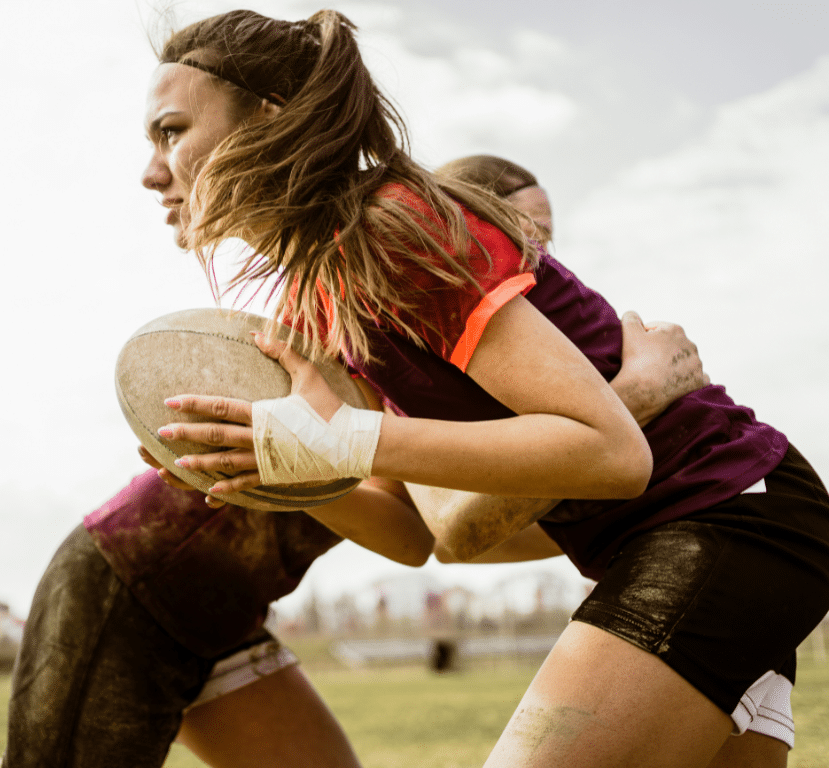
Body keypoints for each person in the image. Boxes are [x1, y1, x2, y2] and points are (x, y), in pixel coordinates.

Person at [0, 15, 710, 768]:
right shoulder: (389, 281)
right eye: (520, 233)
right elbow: (461, 528)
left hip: (228, 606)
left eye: (544, 239)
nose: (535, 261)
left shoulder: (404, 314)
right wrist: (630, 398)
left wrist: (624, 459)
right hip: (130, 576)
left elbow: (426, 531)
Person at [147, 10, 829, 768]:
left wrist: (334, 437)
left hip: (728, 516)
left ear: (267, 121)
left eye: (171, 131)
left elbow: (612, 452)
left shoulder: (387, 226)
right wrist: (271, 471)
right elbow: (413, 536)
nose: (151, 169)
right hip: (704, 538)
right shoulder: (322, 295)